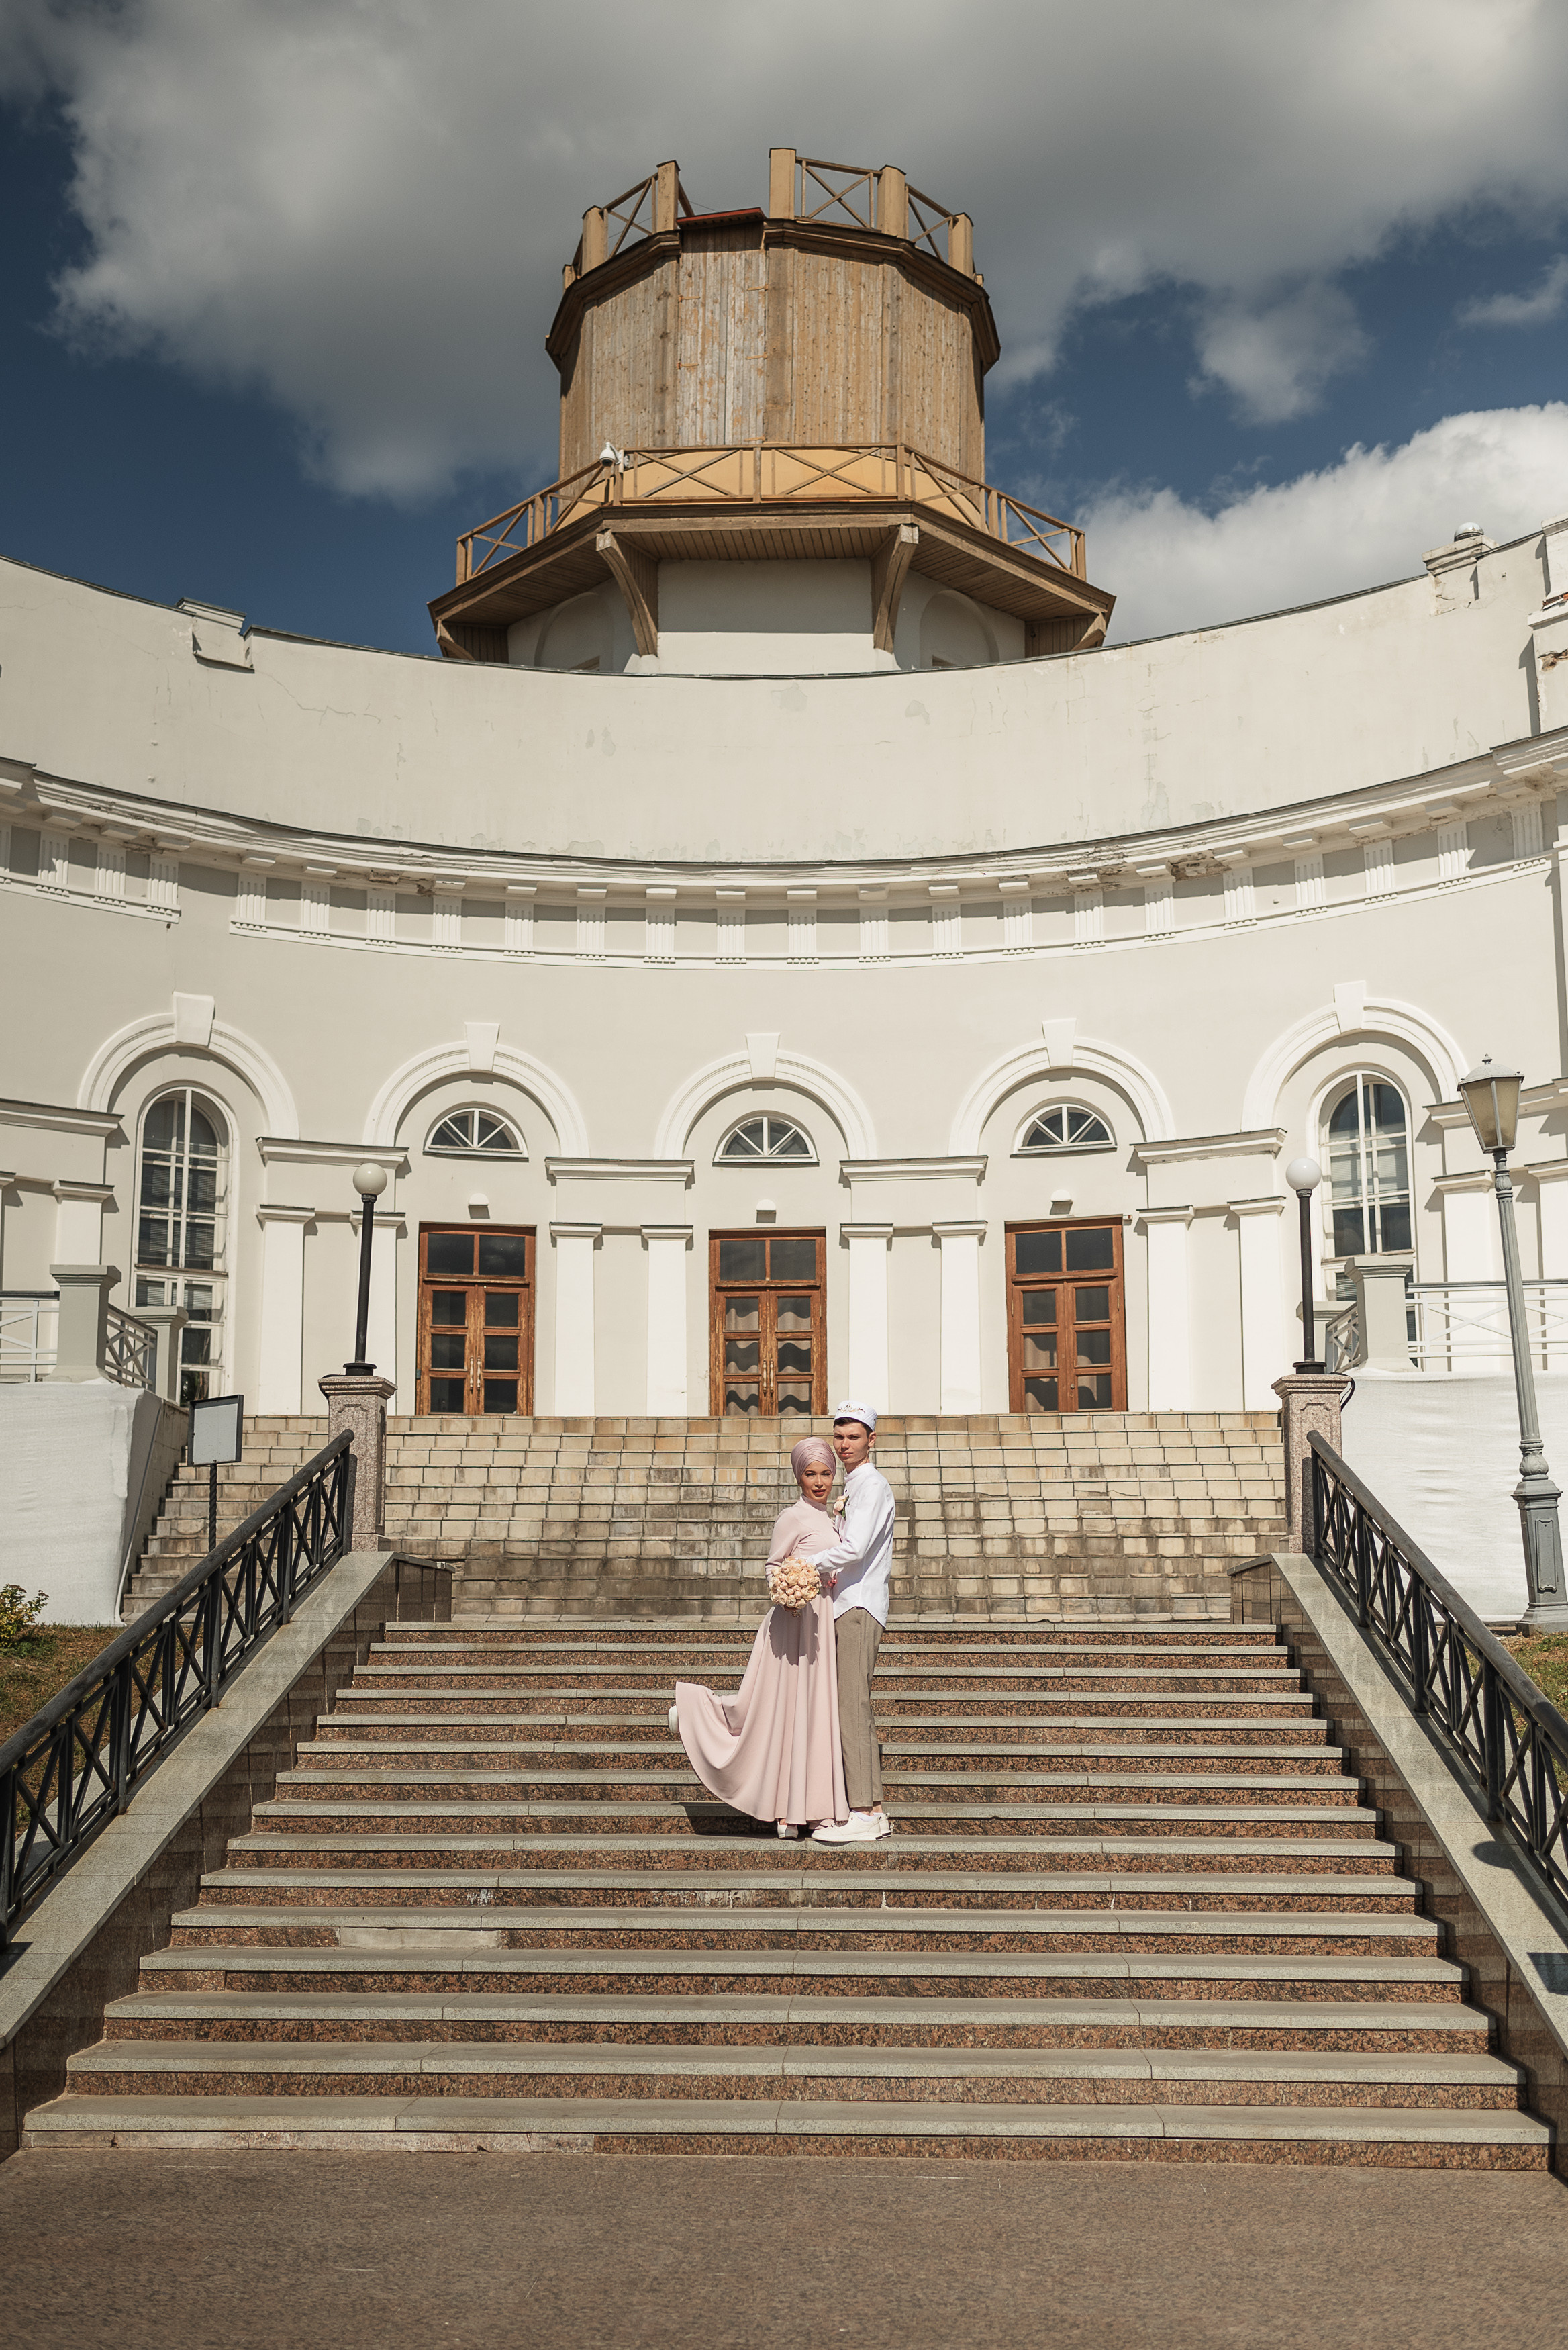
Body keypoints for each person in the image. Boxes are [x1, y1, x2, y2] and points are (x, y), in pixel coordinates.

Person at [669, 1436, 849, 1835]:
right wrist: (789, 1592)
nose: (819, 1482)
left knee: (811, 1712)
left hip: (820, 1622)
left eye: (825, 1473)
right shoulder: (792, 1517)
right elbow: (772, 1567)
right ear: (798, 1477)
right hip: (793, 1622)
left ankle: (808, 1806)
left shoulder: (834, 1519)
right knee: (782, 1710)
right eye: (810, 1474)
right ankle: (698, 1714)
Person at [808, 1400, 896, 1844]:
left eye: (853, 1437)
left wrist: (808, 1563)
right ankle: (874, 1809)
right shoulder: (856, 1484)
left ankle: (859, 1809)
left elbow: (856, 1546)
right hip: (850, 1603)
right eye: (839, 1437)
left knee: (850, 1708)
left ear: (871, 1440)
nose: (844, 1445)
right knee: (854, 1706)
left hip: (858, 1606)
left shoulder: (871, 1485)